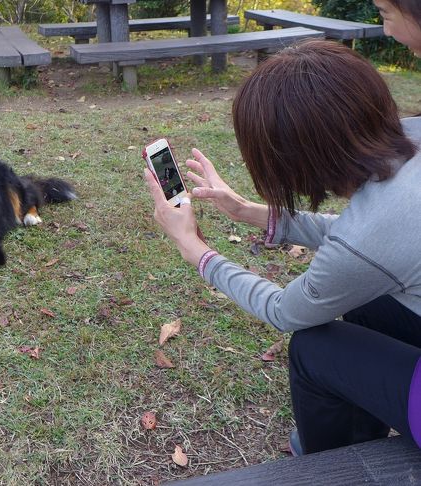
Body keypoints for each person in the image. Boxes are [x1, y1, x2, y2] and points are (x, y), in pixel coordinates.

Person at [144, 39, 421, 455]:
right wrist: (245, 211)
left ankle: (329, 467)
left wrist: (196, 251)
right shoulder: (412, 136)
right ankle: (362, 436)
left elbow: (284, 311)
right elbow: (376, 240)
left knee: (314, 349)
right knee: (369, 305)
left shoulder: (366, 240)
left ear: (294, 158)